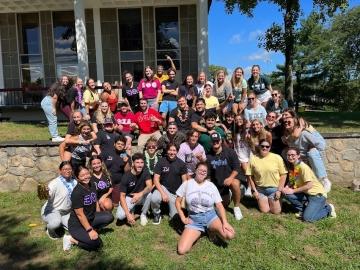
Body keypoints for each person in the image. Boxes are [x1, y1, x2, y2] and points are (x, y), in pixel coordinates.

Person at [175, 162, 235, 255]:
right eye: (200, 170)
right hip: (194, 220)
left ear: (207, 174)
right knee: (182, 250)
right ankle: (200, 231)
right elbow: (177, 202)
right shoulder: (187, 184)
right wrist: (183, 217)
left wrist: (225, 222)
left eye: (205, 171)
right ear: (195, 170)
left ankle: (210, 229)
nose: (202, 172)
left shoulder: (211, 186)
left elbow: (219, 205)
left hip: (210, 216)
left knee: (229, 235)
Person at [63, 166, 114, 251]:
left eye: (87, 174)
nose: (86, 177)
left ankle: (93, 229)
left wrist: (98, 214)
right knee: (97, 244)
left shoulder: (92, 185)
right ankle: (71, 240)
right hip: (77, 225)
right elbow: (80, 214)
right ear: (77, 178)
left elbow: (95, 200)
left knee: (109, 216)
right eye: (82, 175)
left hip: (90, 218)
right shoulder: (77, 193)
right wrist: (90, 230)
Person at [282, 147, 336, 222]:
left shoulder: (303, 167)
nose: (290, 157)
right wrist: (286, 187)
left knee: (308, 219)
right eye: (288, 155)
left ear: (298, 155)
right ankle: (305, 210)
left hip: (317, 195)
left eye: (293, 155)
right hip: (306, 194)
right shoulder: (293, 166)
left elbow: (309, 185)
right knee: (286, 193)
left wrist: (293, 191)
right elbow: (291, 181)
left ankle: (328, 209)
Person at [282, 112, 331, 192]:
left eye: (289, 121)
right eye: (285, 122)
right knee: (286, 154)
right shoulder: (289, 137)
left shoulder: (304, 134)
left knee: (312, 153)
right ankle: (292, 182)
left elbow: (321, 145)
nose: (286, 123)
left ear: (294, 121)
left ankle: (324, 180)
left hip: (309, 157)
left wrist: (313, 148)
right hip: (299, 159)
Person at [207, 133, 243, 220]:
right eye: (213, 141)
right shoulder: (208, 156)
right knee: (222, 206)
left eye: (217, 141)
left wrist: (230, 178)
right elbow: (208, 175)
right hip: (218, 184)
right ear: (210, 143)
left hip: (231, 180)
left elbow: (237, 168)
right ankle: (229, 195)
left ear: (221, 141)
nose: (215, 142)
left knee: (234, 183)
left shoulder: (230, 152)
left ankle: (237, 207)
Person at [246, 139, 287, 214]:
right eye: (262, 146)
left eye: (267, 146)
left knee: (276, 212)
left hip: (274, 189)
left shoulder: (277, 157)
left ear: (270, 148)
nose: (265, 148)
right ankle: (266, 200)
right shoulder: (253, 158)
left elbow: (283, 174)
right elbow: (249, 176)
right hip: (260, 189)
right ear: (259, 147)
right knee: (265, 211)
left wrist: (279, 190)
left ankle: (276, 199)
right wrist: (254, 190)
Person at [151, 143, 188, 224]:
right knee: (154, 198)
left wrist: (181, 197)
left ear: (177, 151)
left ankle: (169, 209)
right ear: (167, 151)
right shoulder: (161, 161)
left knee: (174, 218)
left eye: (174, 150)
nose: (172, 152)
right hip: (163, 188)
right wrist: (163, 193)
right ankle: (157, 214)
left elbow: (185, 182)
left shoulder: (181, 164)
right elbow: (156, 179)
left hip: (175, 192)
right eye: (170, 150)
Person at [41, 161, 77, 239]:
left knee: (75, 227)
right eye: (64, 169)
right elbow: (48, 195)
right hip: (52, 210)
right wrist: (46, 192)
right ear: (60, 170)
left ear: (72, 170)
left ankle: (62, 223)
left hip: (66, 212)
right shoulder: (54, 183)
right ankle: (49, 230)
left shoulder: (74, 182)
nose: (67, 171)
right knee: (55, 223)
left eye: (69, 169)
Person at [116, 153, 153, 226]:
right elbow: (122, 196)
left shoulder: (145, 171)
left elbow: (149, 186)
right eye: (137, 162)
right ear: (133, 163)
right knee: (120, 216)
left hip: (141, 196)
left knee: (149, 194)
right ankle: (131, 212)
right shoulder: (126, 176)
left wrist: (140, 194)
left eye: (142, 162)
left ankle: (143, 214)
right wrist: (127, 214)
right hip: (129, 197)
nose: (140, 165)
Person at [102, 135, 131, 205]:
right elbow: (100, 164)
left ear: (124, 146)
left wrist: (126, 162)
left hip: (118, 181)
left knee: (115, 203)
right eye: (118, 144)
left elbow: (127, 171)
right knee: (105, 200)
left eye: (122, 144)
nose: (120, 146)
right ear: (114, 144)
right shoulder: (106, 152)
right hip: (106, 179)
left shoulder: (126, 156)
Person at [234, 114, 252, 197]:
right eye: (236, 119)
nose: (238, 121)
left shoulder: (247, 129)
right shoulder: (235, 130)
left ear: (243, 119)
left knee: (246, 169)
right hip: (239, 153)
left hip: (247, 153)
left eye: (240, 119)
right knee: (240, 170)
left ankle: (250, 187)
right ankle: (245, 186)